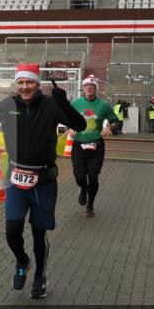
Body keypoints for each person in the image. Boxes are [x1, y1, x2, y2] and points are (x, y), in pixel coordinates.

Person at [0, 63, 86, 299]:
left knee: (38, 233)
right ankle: (22, 261)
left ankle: (40, 276)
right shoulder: (8, 105)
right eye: (21, 82)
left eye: (29, 82)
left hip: (43, 181)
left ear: (37, 84)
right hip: (16, 180)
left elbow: (80, 126)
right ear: (16, 84)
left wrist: (63, 102)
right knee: (12, 232)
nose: (25, 87)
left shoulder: (51, 105)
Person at [67, 75, 120, 218]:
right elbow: (67, 119)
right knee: (79, 177)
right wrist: (70, 128)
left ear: (96, 88)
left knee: (93, 176)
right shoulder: (76, 103)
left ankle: (90, 205)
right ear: (83, 88)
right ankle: (83, 189)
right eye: (86, 86)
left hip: (96, 145)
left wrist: (110, 127)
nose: (89, 88)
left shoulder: (103, 106)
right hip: (79, 144)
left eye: (92, 86)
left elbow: (116, 121)